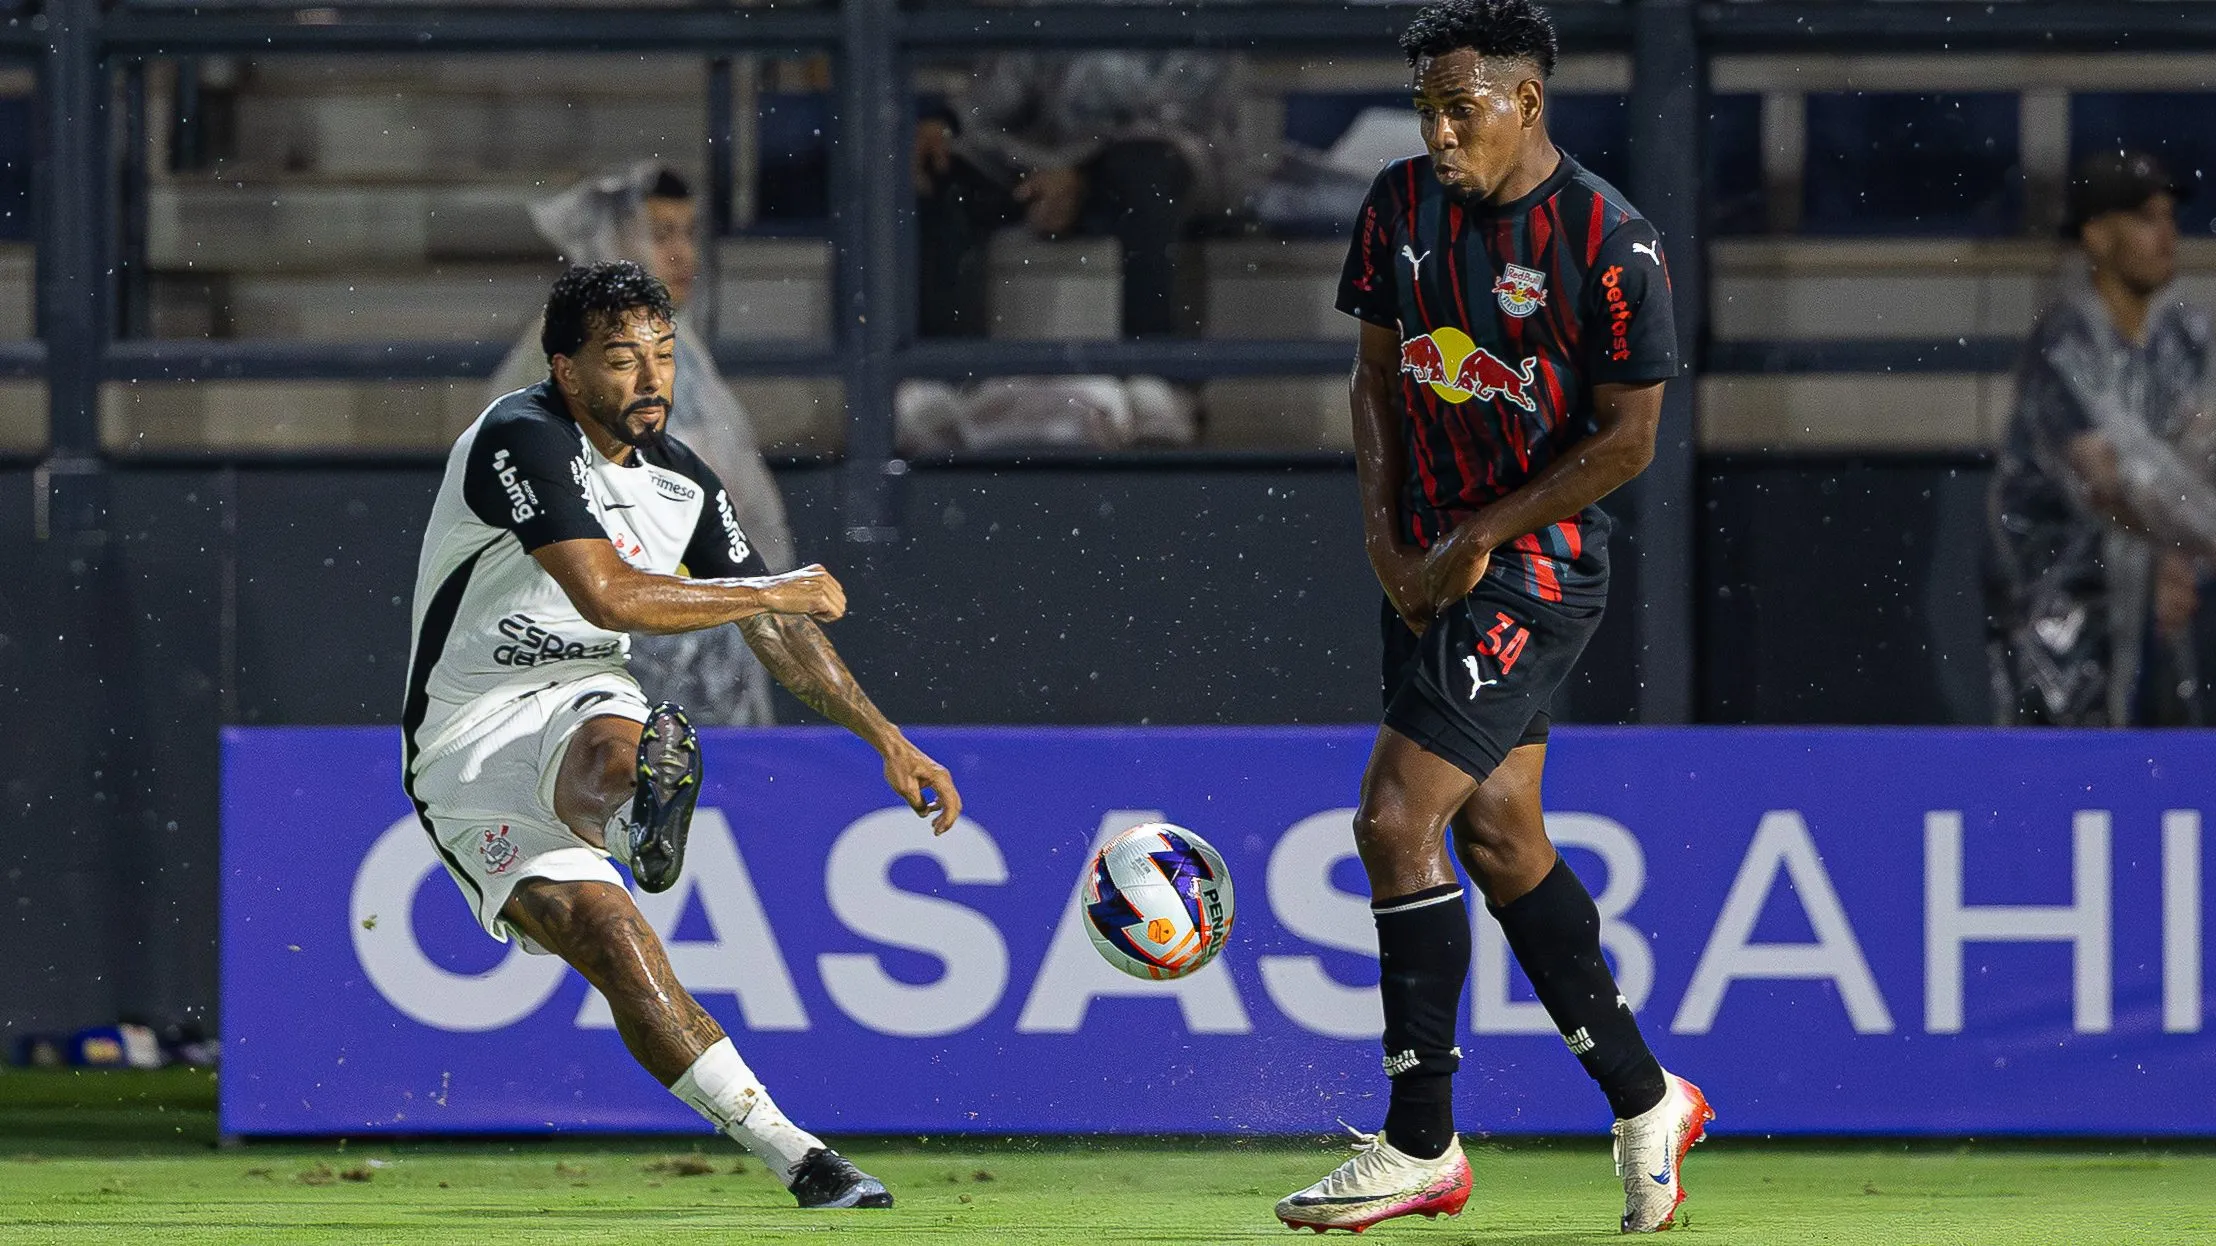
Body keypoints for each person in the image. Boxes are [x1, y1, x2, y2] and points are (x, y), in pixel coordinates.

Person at [1273, 1, 1708, 1234]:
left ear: (1526, 102)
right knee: (1500, 835)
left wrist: (1477, 534)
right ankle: (1645, 1097)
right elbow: (1370, 376)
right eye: (1423, 106)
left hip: (1534, 571)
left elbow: (1628, 440)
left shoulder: (1610, 242)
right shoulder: (1397, 208)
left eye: (1457, 107)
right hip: (1423, 566)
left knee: (1391, 817)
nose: (1436, 129)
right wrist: (1386, 541)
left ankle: (1421, 1144)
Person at [407, 261, 962, 1208]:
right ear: (567, 370)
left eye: (662, 355)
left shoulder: (683, 483)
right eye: (621, 361)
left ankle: (636, 827)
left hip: (583, 692)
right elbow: (607, 592)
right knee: (609, 937)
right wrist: (768, 587)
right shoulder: (520, 435)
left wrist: (886, 737)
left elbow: (779, 634)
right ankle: (793, 1146)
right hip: (467, 743)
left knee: (619, 749)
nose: (651, 379)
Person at [481, 163, 796, 726]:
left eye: (688, 233)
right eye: (662, 234)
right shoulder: (567, 361)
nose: (684, 256)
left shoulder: (684, 352)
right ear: (613, 241)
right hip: (611, 658)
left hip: (686, 644)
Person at [1987, 149, 2216, 726]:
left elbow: (2196, 454)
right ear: (2096, 237)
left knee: (2172, 749)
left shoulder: (2184, 335)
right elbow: (2110, 479)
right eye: (2145, 219)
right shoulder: (2063, 340)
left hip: (2158, 588)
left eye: (2169, 217)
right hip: (2062, 589)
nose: (2167, 235)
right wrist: (2190, 540)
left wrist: (2180, 560)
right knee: (2064, 753)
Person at [914, 52, 1251, 340]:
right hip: (1050, 161)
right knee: (940, 166)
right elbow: (1007, 84)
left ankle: (1153, 380)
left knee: (1145, 172)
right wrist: (947, 122)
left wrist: (1082, 175)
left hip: (1172, 162)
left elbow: (1178, 118)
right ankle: (948, 382)